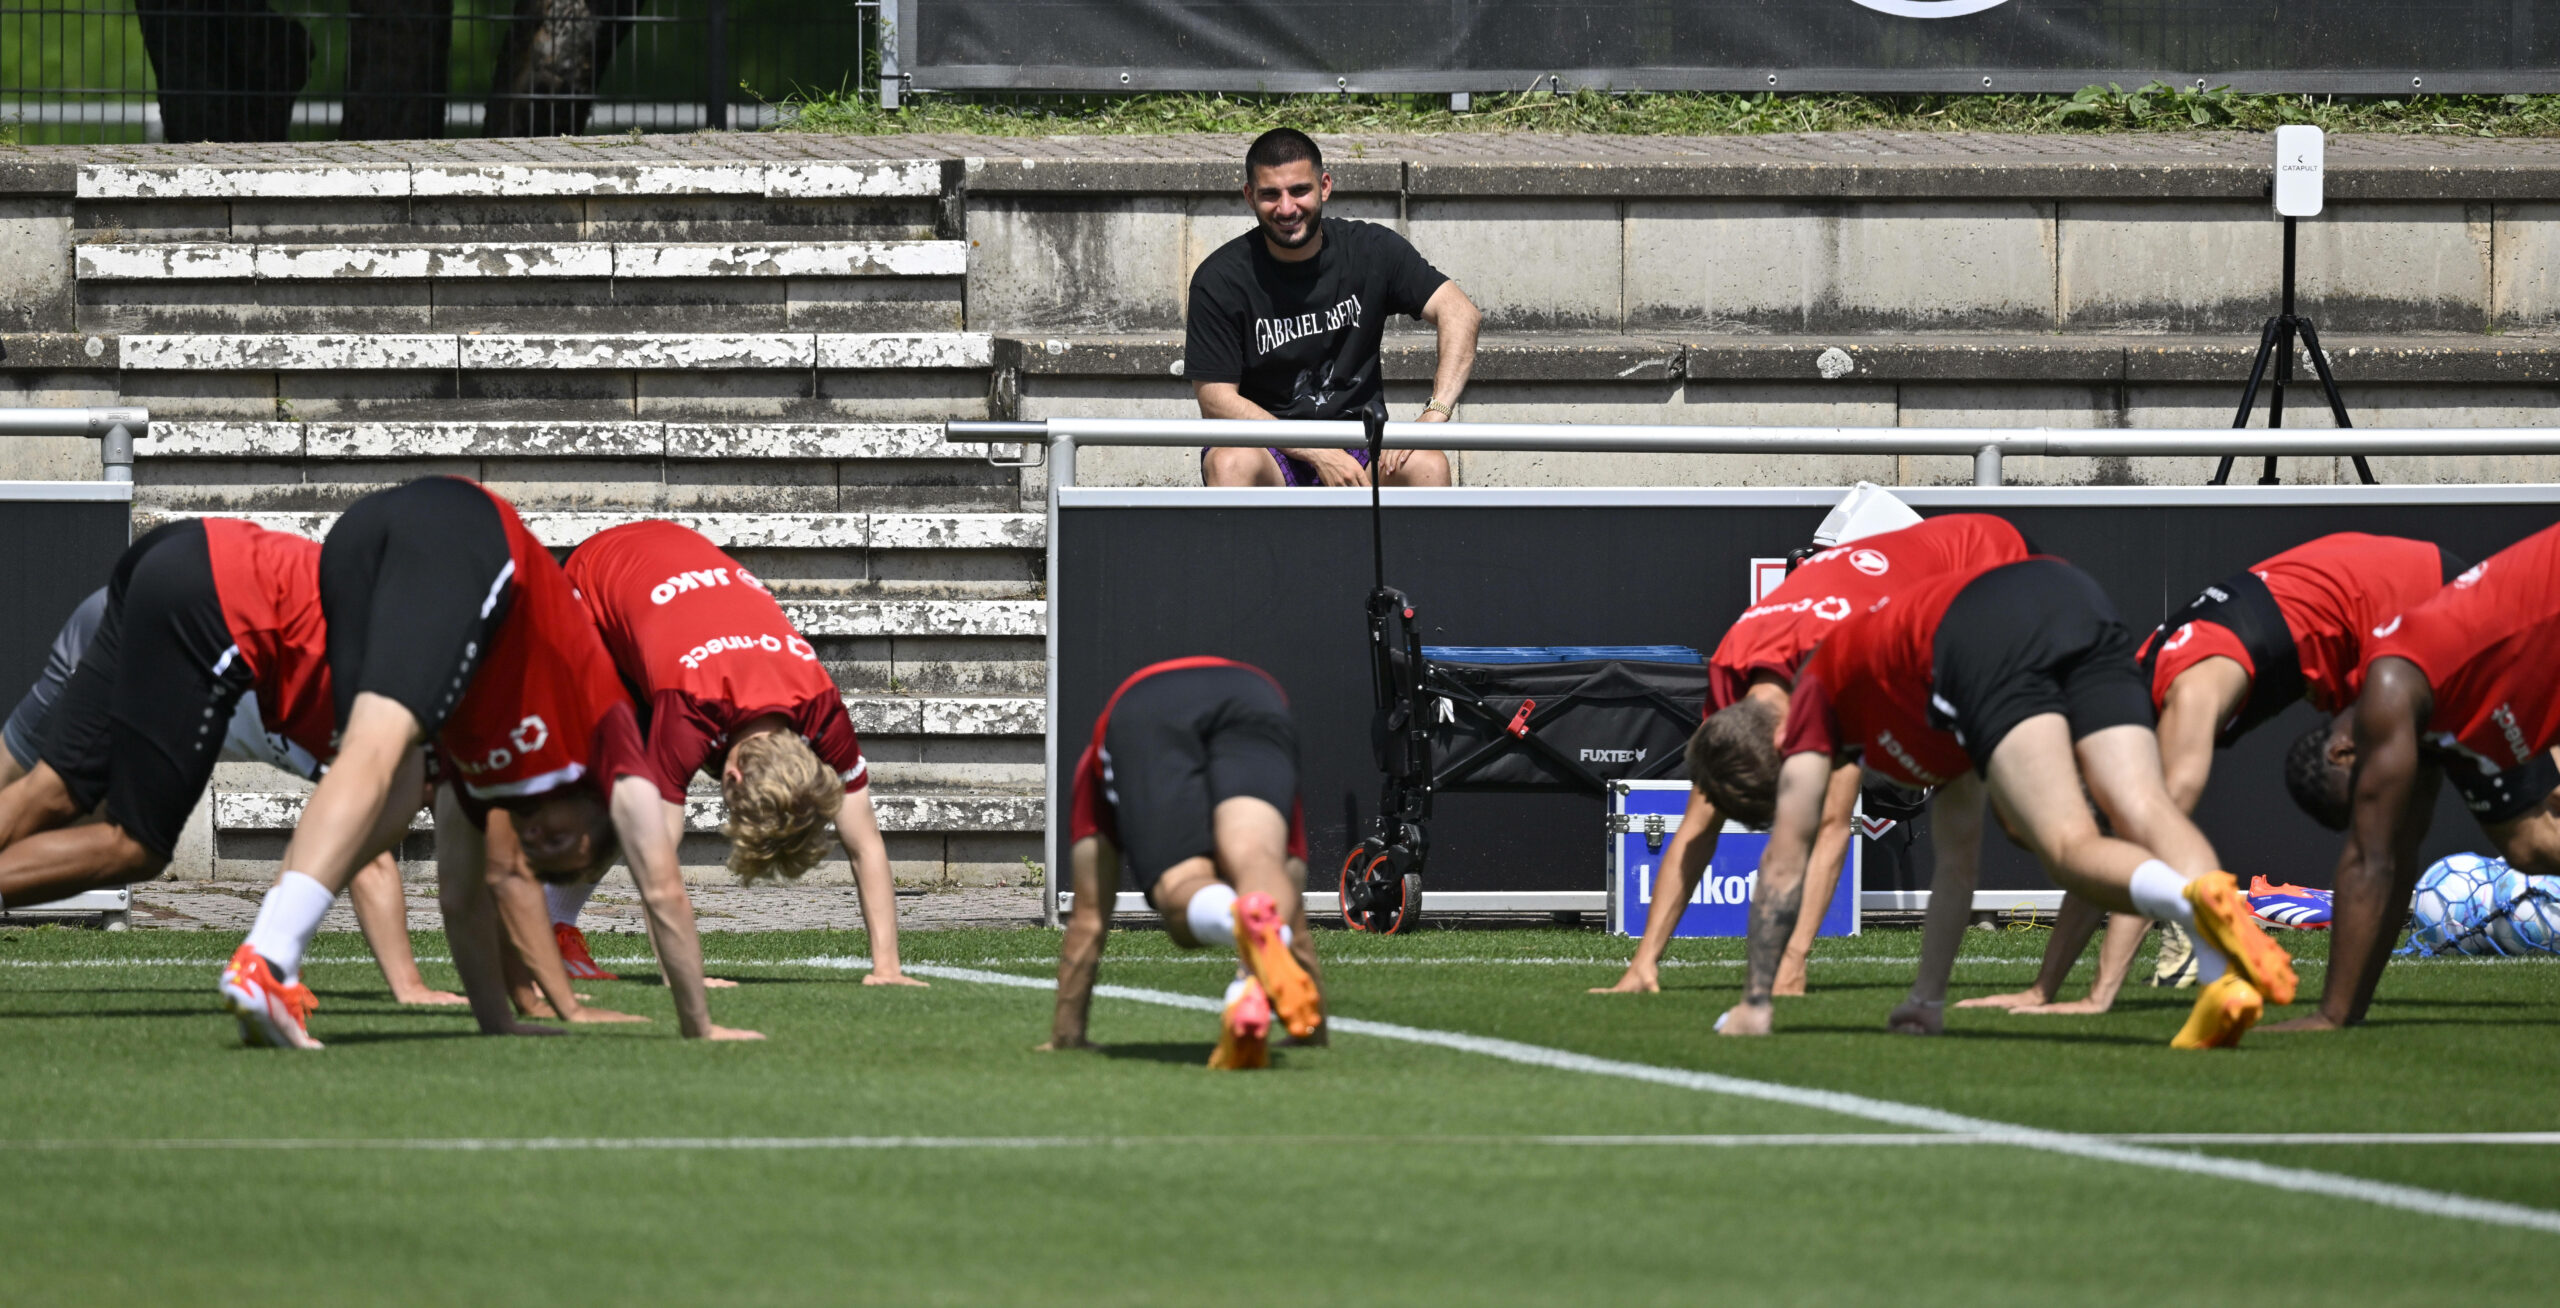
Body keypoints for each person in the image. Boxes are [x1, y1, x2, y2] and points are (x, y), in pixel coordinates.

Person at [215, 476, 747, 1048]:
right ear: (599, 815)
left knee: (380, 792)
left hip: (360, 535)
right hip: (468, 529)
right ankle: (268, 961)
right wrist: (700, 1025)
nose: (537, 839)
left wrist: (498, 1021)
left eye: (540, 848)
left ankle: (271, 956)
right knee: (373, 751)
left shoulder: (482, 772)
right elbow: (662, 890)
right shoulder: (612, 742)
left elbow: (463, 894)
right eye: (561, 843)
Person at [1692, 556, 2298, 1049]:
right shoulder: (1913, 716)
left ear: (1780, 739)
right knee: (2144, 807)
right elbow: (1956, 866)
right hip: (2068, 590)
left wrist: (1755, 1003)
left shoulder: (1813, 703)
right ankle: (2225, 978)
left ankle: (2196, 906)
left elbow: (1782, 861)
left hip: (1983, 631)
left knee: (2068, 846)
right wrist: (1926, 1001)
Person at [1964, 532, 2462, 1016]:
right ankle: (2331, 1007)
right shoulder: (2136, 689)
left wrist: (2100, 994)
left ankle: (2323, 1005)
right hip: (2380, 593)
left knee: (2508, 835)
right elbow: (2105, 859)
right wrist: (2042, 991)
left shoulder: (2185, 686)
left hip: (2420, 593)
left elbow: (2148, 848)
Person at [0, 539, 459, 1007]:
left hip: (147, 609)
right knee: (106, 828)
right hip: (155, 631)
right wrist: (409, 986)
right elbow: (367, 860)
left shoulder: (385, 710)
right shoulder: (373, 733)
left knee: (56, 798)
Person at [1594, 509, 2032, 996]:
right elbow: (1697, 826)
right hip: (1900, 592)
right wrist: (1643, 964)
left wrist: (1794, 961)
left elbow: (1831, 827)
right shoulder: (1731, 673)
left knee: (2019, 823)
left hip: (1981, 567)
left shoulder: (1842, 678)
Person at [532, 519, 920, 987]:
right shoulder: (691, 710)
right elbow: (655, 853)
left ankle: (549, 923)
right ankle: (535, 923)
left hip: (673, 555)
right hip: (591, 578)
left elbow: (865, 842)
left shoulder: (821, 704)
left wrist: (888, 968)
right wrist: (685, 975)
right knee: (612, 788)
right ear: (731, 778)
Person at [2268, 523, 2560, 1033]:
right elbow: (2398, 863)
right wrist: (2348, 1012)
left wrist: (2330, 1015)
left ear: (2344, 751)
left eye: (2361, 801)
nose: (2373, 811)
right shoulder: (2424, 716)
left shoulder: (2389, 688)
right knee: (2530, 845)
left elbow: (2370, 857)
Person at [1043, 657, 1323, 1068]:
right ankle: (1244, 987)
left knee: (1182, 887)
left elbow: (1088, 918)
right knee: (1256, 859)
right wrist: (1315, 1031)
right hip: (1255, 693)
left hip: (1145, 705)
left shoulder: (1094, 769)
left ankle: (1234, 921)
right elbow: (1290, 908)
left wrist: (1066, 1036)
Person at [1187, 127, 1475, 489]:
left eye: (1299, 191)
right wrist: (1314, 449)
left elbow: (1460, 312)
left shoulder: (1371, 249)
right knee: (1229, 461)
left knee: (1426, 462)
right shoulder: (1220, 278)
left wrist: (1436, 414)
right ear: (1249, 196)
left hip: (1360, 444)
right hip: (1267, 446)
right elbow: (1214, 398)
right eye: (1270, 194)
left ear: (1324, 186)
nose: (1287, 208)